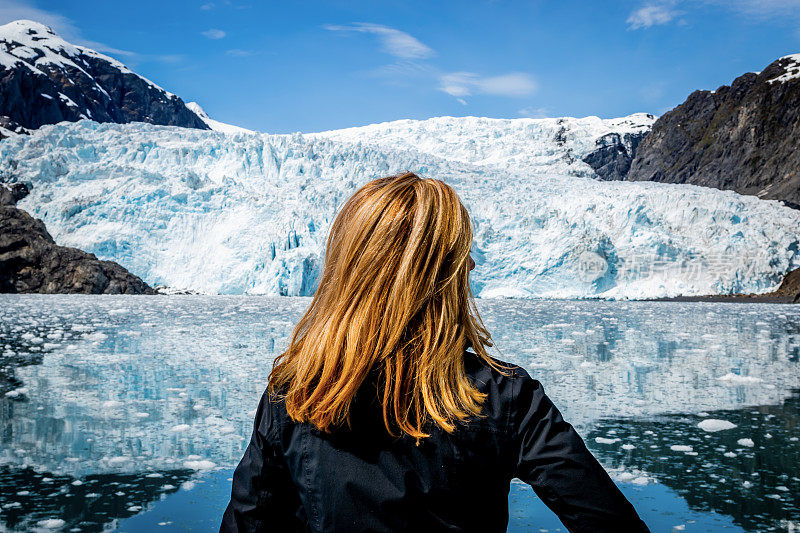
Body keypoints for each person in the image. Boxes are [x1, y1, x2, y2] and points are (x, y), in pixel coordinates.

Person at [220, 172, 650, 532]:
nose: (473, 267)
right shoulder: (503, 397)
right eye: (463, 255)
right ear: (439, 273)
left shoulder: (295, 393)